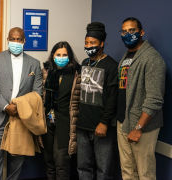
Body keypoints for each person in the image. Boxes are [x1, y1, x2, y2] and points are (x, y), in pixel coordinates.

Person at [0, 27, 42, 180]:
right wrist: (5, 106)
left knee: (18, 160)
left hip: (21, 118)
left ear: (24, 41)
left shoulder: (34, 63)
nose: (15, 42)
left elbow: (37, 93)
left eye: (19, 39)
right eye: (12, 39)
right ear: (8, 40)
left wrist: (20, 107)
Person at [117, 17, 166, 180]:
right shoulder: (125, 57)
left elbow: (155, 99)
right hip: (123, 122)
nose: (127, 34)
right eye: (124, 31)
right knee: (128, 171)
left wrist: (138, 127)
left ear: (141, 32)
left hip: (142, 126)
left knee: (145, 173)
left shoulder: (152, 58)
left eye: (132, 30)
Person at [76, 22, 118, 180]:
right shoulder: (84, 63)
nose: (88, 46)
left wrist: (104, 122)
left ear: (101, 43)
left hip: (101, 126)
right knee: (83, 167)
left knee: (104, 170)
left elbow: (113, 97)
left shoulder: (111, 66)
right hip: (83, 125)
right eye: (86, 43)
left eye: (92, 43)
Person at [43, 41, 80, 180]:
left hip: (66, 123)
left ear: (70, 56)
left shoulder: (76, 74)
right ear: (53, 55)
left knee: (61, 161)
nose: (61, 57)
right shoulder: (46, 71)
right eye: (58, 54)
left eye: (65, 54)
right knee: (48, 161)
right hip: (48, 121)